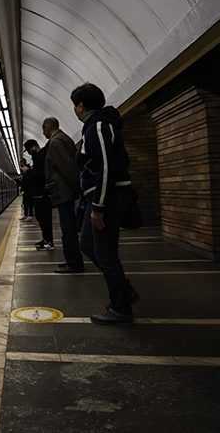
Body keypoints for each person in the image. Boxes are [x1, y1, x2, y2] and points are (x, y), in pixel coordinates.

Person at [71, 83, 140, 326]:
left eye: (75, 106)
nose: (75, 111)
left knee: (105, 253)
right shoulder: (95, 126)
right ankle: (124, 290)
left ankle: (121, 308)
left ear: (81, 105)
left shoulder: (98, 126)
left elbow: (106, 167)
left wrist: (99, 206)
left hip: (107, 200)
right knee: (87, 244)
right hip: (99, 198)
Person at [42, 117, 84, 273]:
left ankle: (74, 263)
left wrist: (78, 188)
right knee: (68, 228)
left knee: (68, 229)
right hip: (66, 190)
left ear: (47, 127)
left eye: (43, 129)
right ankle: (72, 260)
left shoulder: (55, 142)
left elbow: (67, 167)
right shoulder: (64, 138)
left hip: (64, 191)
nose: (43, 132)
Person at [24, 139, 54, 250]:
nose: (28, 153)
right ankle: (46, 239)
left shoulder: (41, 157)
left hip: (43, 195)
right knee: (41, 219)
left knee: (45, 219)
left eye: (28, 151)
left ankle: (49, 242)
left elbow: (40, 175)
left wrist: (27, 171)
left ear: (33, 147)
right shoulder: (39, 157)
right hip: (39, 195)